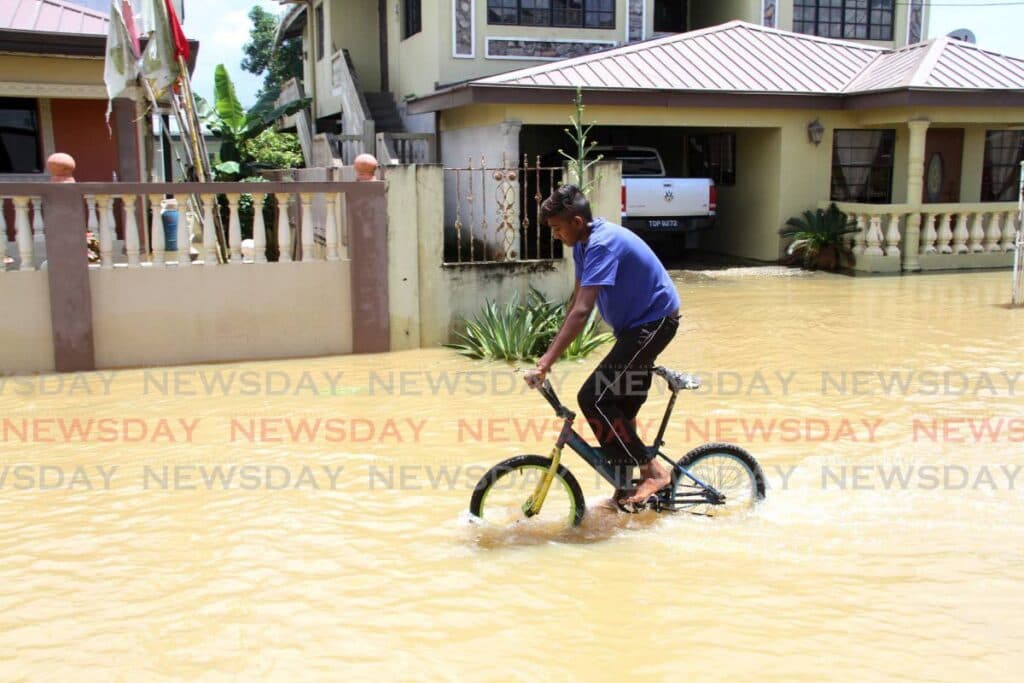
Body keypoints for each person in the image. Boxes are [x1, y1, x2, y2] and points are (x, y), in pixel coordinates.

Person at [524, 184, 680, 507]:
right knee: (619, 408)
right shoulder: (582, 246)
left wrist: (546, 363)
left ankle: (653, 471)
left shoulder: (602, 245)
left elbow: (583, 312)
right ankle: (625, 489)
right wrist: (549, 349)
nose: (555, 235)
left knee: (592, 398)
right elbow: (577, 302)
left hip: (655, 324)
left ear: (577, 222)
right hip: (633, 330)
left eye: (557, 228)